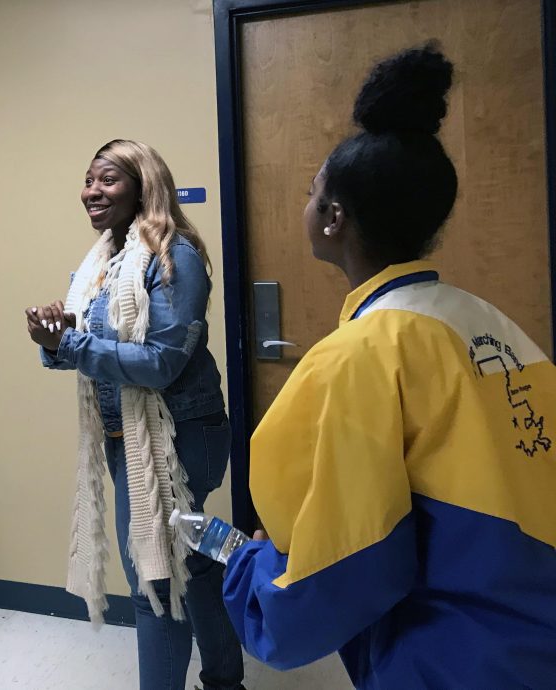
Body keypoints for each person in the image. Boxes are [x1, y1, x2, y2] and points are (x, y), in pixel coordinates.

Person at [222, 45, 556, 688]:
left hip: (459, 656)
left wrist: (252, 572)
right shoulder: (486, 321)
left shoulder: (361, 353)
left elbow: (350, 567)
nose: (307, 207)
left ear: (333, 219)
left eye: (311, 194)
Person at [27, 140, 245, 690]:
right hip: (126, 434)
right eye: (88, 180)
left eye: (107, 180)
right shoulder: (103, 262)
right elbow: (85, 352)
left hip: (180, 433)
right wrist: (55, 339)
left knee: (155, 578)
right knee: (188, 567)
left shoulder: (176, 256)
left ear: (143, 185)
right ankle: (225, 680)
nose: (91, 192)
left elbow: (162, 364)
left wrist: (72, 344)